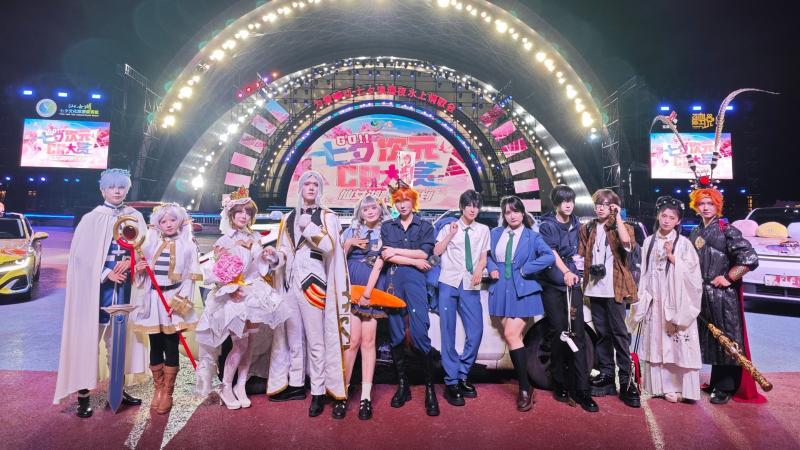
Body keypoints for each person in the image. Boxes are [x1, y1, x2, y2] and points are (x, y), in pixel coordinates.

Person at [53, 168, 147, 418]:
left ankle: (117, 389)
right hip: (96, 293)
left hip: (126, 289)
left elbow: (144, 249)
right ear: (103, 190)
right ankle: (83, 396)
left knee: (119, 342)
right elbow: (81, 258)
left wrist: (131, 262)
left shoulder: (135, 216)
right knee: (88, 342)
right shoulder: (91, 219)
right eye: (112, 187)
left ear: (127, 189)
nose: (117, 191)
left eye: (121, 186)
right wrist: (106, 273)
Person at [266, 171, 351, 419]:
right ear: (301, 188)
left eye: (315, 184)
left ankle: (318, 391)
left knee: (316, 341)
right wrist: (274, 257)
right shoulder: (288, 217)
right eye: (307, 184)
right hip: (290, 285)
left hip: (314, 285)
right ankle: (295, 384)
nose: (311, 187)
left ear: (320, 189)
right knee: (293, 338)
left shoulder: (327, 217)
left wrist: (310, 228)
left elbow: (329, 248)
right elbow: (285, 250)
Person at [194, 187, 288, 410]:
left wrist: (266, 256)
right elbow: (217, 272)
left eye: (247, 212)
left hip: (253, 293)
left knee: (250, 344)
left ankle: (241, 385)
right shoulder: (224, 240)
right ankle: (226, 386)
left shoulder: (255, 237)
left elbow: (260, 268)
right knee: (240, 344)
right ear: (231, 215)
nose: (244, 216)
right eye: (239, 212)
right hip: (235, 297)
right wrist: (229, 287)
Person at [689, 186, 761, 404]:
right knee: (713, 340)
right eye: (701, 203)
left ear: (717, 206)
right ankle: (716, 382)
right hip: (703, 294)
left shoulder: (727, 229)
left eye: (710, 203)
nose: (705, 207)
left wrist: (729, 277)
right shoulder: (695, 231)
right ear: (695, 207)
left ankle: (726, 387)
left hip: (723, 295)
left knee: (727, 341)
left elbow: (750, 258)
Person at [628, 196, 703, 403]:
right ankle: (659, 386)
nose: (667, 220)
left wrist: (672, 257)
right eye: (664, 216)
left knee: (677, 343)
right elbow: (644, 272)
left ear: (678, 221)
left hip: (676, 301)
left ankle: (681, 388)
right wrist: (643, 297)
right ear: (658, 216)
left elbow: (694, 275)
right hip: (655, 299)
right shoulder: (649, 242)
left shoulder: (684, 244)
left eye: (672, 217)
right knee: (657, 341)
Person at [131, 203, 201, 414]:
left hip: (173, 301)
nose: (168, 224)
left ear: (179, 221)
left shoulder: (188, 245)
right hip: (153, 299)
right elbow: (142, 277)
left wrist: (178, 305)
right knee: (155, 344)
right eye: (163, 221)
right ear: (157, 224)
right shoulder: (151, 244)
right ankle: (158, 389)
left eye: (172, 220)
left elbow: (190, 279)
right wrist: (139, 269)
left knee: (171, 346)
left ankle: (168, 392)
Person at [486, 196, 555, 412]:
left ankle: (525, 388)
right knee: (513, 338)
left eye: (516, 211)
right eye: (508, 212)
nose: (512, 215)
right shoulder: (495, 233)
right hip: (501, 289)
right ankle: (527, 385)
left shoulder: (532, 236)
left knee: (511, 334)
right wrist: (491, 267)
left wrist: (527, 269)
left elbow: (549, 257)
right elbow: (487, 255)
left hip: (522, 290)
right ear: (504, 215)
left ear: (523, 213)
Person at [537, 185, 598, 412]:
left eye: (570, 200)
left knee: (578, 333)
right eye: (563, 201)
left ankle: (582, 389)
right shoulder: (547, 226)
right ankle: (559, 383)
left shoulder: (578, 225)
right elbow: (551, 254)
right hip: (553, 285)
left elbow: (583, 252)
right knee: (558, 332)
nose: (568, 204)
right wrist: (566, 272)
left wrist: (582, 271)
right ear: (556, 204)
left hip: (573, 286)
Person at [381, 180, 438, 416]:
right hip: (394, 281)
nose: (403, 204)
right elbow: (387, 255)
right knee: (396, 333)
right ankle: (402, 385)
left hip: (415, 283)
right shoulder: (388, 226)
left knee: (420, 332)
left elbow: (424, 253)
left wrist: (398, 252)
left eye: (406, 200)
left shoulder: (424, 225)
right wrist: (413, 261)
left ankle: (430, 389)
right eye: (398, 201)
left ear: (413, 201)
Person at [579, 189, 640, 407]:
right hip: (594, 288)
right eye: (598, 204)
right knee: (602, 334)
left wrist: (618, 218)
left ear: (613, 207)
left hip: (616, 288)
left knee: (619, 334)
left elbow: (627, 244)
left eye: (606, 204)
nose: (600, 208)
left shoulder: (622, 227)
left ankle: (626, 380)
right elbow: (581, 255)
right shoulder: (587, 228)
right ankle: (606, 374)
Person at [433, 189, 489, 407]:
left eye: (476, 206)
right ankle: (451, 381)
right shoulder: (448, 227)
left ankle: (462, 374)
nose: (473, 209)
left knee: (476, 331)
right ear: (462, 207)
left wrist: (479, 269)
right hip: (448, 282)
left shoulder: (483, 230)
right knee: (448, 332)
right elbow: (436, 252)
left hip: (470, 283)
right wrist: (450, 234)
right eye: (469, 205)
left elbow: (483, 257)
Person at [341, 195, 391, 420]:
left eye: (373, 208)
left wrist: (368, 293)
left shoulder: (387, 232)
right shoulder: (350, 231)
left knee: (369, 342)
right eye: (365, 209)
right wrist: (349, 244)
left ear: (380, 210)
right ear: (360, 212)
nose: (370, 212)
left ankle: (366, 397)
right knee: (352, 342)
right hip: (351, 290)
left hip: (372, 289)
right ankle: (342, 394)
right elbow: (337, 262)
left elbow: (381, 264)